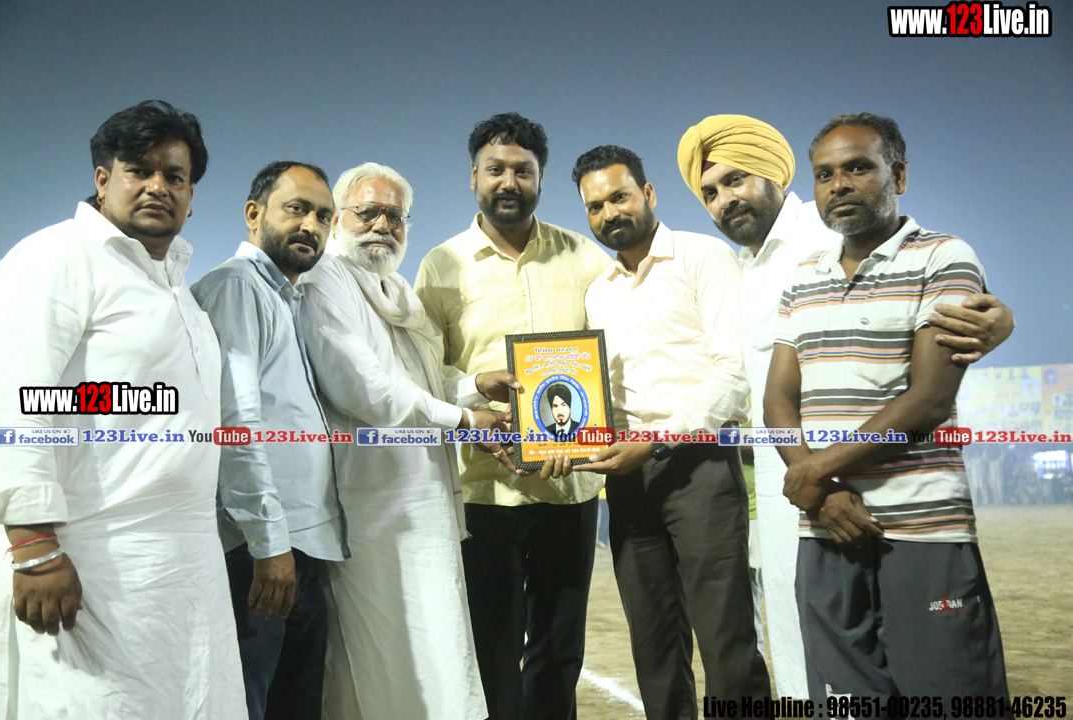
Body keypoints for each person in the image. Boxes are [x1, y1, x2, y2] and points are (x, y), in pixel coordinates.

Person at [676, 114, 1015, 698]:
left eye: (736, 180)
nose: (725, 199)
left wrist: (1000, 319)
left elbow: (930, 393)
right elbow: (772, 393)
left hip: (897, 507)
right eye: (710, 192)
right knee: (821, 672)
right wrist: (815, 486)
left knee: (944, 684)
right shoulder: (756, 266)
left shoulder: (826, 234)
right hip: (800, 498)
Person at [0, 100, 246, 719]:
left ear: (192, 197)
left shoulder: (177, 289)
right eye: (139, 170)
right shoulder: (59, 256)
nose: (158, 186)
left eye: (175, 176)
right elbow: (11, 397)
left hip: (186, 572)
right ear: (103, 178)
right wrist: (34, 547)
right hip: (90, 563)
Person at [298, 161, 523, 720]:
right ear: (338, 218)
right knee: (383, 660)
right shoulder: (324, 280)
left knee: (437, 651)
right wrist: (465, 421)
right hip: (374, 510)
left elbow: (420, 378)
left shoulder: (396, 289)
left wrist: (474, 385)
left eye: (395, 216)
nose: (382, 226)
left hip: (426, 501)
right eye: (367, 212)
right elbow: (364, 390)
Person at [414, 113, 611, 720]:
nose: (509, 181)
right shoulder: (441, 265)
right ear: (473, 177)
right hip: (483, 489)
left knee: (559, 647)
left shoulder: (584, 256)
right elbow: (424, 370)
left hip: (569, 484)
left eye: (522, 171)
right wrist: (473, 396)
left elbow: (609, 359)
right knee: (490, 647)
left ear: (540, 179)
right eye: (495, 169)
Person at [574, 145, 769, 715]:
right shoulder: (599, 291)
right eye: (595, 207)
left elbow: (734, 374)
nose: (610, 213)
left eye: (619, 197)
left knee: (727, 640)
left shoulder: (703, 257)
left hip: (700, 466)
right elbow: (601, 395)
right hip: (627, 479)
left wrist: (656, 439)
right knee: (654, 644)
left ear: (648, 193)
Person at [191, 161, 347, 720]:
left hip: (294, 546)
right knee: (248, 703)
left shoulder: (284, 297)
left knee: (293, 705)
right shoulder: (238, 287)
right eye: (297, 209)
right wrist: (267, 542)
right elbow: (237, 424)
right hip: (258, 551)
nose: (311, 225)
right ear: (254, 214)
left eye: (323, 217)